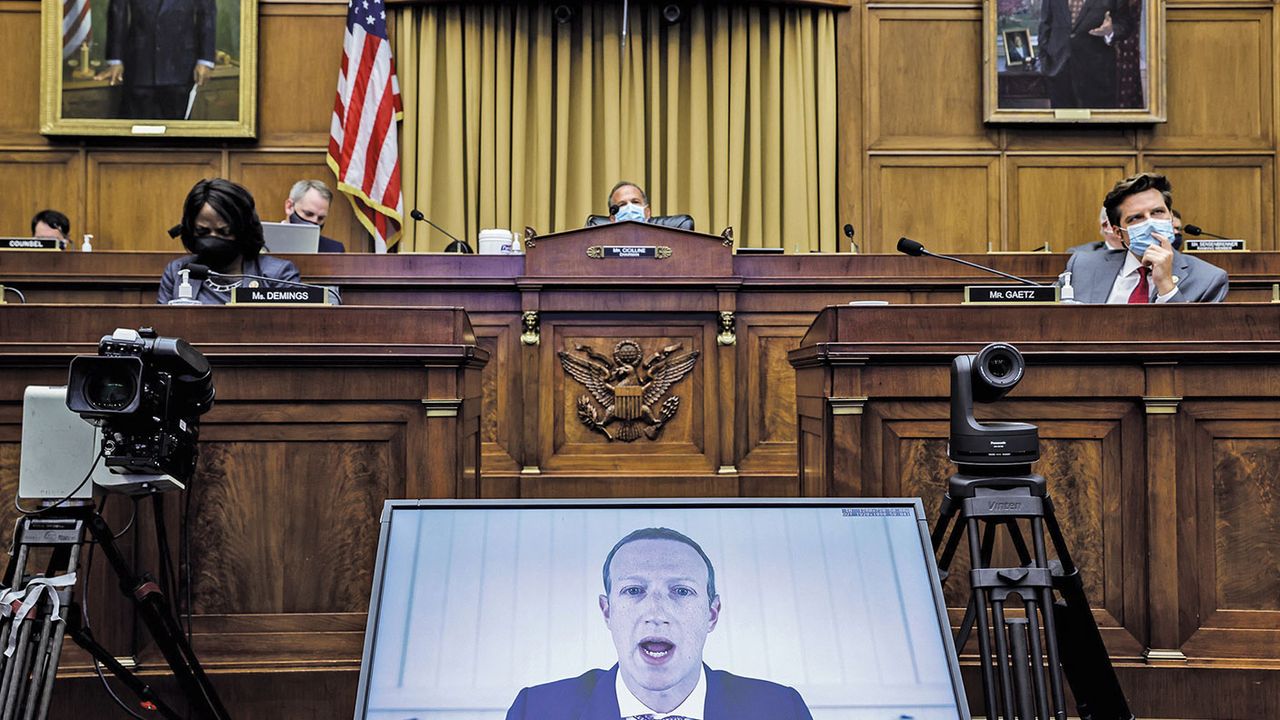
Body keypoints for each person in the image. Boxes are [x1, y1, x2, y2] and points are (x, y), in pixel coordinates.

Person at [505, 527, 813, 719]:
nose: (656, 612)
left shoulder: (781, 709)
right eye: (634, 590)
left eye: (680, 591)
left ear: (711, 614)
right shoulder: (535, 710)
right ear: (608, 612)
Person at [1060, 173, 1227, 303]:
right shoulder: (1082, 267)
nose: (1151, 223)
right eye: (1136, 218)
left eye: (1158, 212)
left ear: (1170, 217)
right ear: (1118, 232)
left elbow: (1196, 341)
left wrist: (1166, 286)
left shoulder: (1208, 279)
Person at [158, 178, 301, 305]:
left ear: (243, 231)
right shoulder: (178, 271)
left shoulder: (278, 275)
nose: (213, 238)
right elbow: (163, 327)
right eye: (203, 232)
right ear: (190, 230)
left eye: (224, 232)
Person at [96, 0, 217, 120]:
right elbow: (118, 10)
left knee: (176, 132)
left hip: (180, 67)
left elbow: (207, 13)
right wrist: (115, 60)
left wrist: (205, 59)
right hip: (140, 66)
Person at [1038, 0, 1134, 108]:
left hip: (1097, 74)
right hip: (1059, 71)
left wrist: (1110, 30)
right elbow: (1045, 24)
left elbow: (1125, 23)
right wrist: (1044, 60)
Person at [585, 181, 695, 231]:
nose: (630, 207)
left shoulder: (666, 237)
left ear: (647, 212)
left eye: (635, 202)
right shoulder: (600, 241)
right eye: (622, 204)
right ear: (612, 218)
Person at [283, 179, 346, 252]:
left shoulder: (334, 250)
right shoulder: (267, 241)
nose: (314, 221)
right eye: (308, 214)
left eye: (320, 218)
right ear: (289, 207)